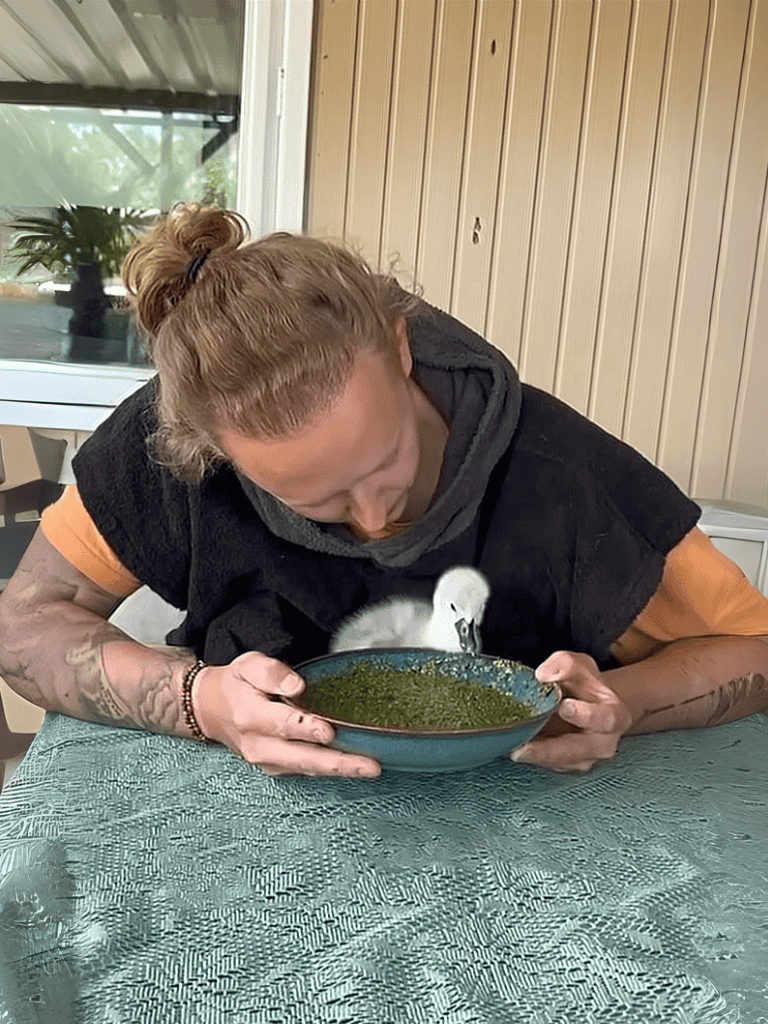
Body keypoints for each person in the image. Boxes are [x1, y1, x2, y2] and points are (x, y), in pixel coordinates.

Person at [1, 203, 767, 778]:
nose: (378, 522)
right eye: (319, 505)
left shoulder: (566, 471)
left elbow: (754, 649)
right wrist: (198, 700)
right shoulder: (173, 442)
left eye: (386, 462)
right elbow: (22, 626)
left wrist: (624, 704)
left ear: (399, 344)